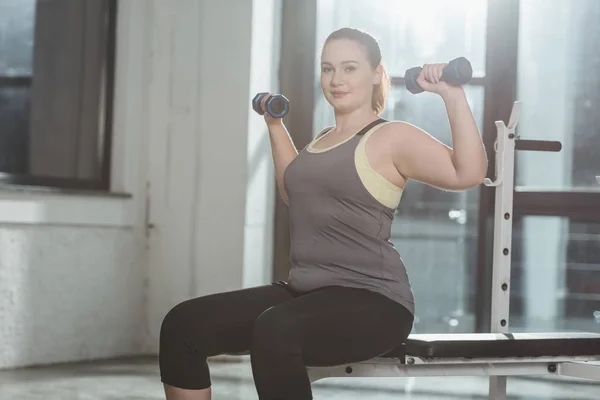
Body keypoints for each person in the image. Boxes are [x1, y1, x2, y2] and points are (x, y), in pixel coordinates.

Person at [159, 27, 487, 400]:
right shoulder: (322, 140)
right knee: (184, 325)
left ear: (376, 73)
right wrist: (274, 124)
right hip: (305, 293)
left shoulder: (390, 137)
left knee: (276, 328)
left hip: (375, 302)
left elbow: (469, 173)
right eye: (328, 69)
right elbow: (293, 192)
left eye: (349, 68)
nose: (336, 79)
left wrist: (451, 93)